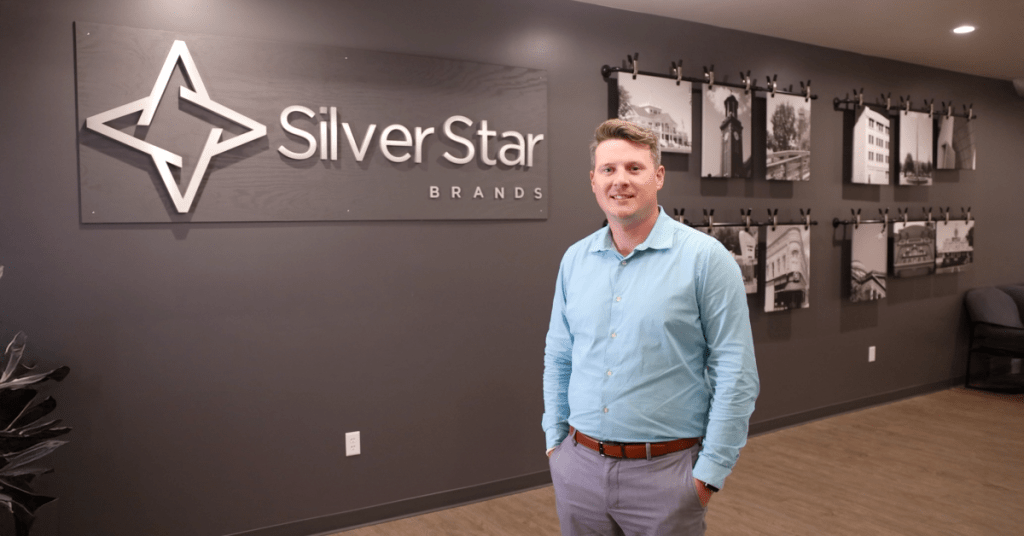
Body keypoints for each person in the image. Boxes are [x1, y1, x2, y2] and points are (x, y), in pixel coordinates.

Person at [542, 119, 759, 535]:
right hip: (578, 470)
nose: (619, 180)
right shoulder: (575, 260)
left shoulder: (706, 259)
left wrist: (708, 475)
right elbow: (559, 356)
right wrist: (556, 444)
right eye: (608, 169)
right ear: (593, 180)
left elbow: (737, 374)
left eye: (634, 168)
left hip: (666, 477)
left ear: (658, 176)